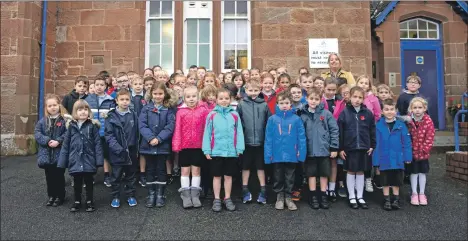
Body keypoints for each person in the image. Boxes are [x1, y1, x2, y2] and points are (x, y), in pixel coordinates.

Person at [202, 88, 245, 212]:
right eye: (221, 98)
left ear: (230, 99)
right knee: (216, 176)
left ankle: (227, 198)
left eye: (226, 98)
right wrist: (206, 150)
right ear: (216, 99)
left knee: (228, 176)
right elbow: (207, 133)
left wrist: (239, 148)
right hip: (216, 151)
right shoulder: (212, 115)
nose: (224, 101)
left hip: (231, 151)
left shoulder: (234, 114)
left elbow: (239, 132)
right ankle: (216, 198)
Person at [58, 100, 103, 212]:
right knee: (77, 182)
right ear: (75, 112)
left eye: (85, 109)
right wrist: (62, 161)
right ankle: (77, 200)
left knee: (89, 182)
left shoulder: (92, 126)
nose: (83, 112)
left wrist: (99, 161)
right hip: (75, 159)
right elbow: (66, 145)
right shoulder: (71, 127)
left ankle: (89, 201)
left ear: (89, 111)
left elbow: (98, 144)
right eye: (80, 109)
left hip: (89, 159)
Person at [265, 91, 306, 211]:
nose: (284, 105)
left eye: (287, 103)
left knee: (290, 176)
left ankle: (288, 196)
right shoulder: (272, 119)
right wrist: (268, 155)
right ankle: (279, 197)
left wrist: (301, 153)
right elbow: (268, 138)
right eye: (281, 103)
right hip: (277, 154)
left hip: (292, 153)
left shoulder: (296, 119)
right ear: (277, 104)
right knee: (278, 176)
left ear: (291, 104)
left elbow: (301, 137)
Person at [299, 87, 339, 210]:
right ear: (306, 99)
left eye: (316, 99)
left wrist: (334, 147)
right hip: (309, 150)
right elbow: (299, 132)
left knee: (323, 173)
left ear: (320, 100)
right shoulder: (302, 114)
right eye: (311, 98)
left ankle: (323, 195)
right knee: (311, 174)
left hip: (323, 149)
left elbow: (334, 130)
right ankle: (313, 196)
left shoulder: (326, 114)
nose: (313, 101)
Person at [139, 81, 176, 208]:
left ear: (165, 94)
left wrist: (159, 139)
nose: (158, 96)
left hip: (162, 146)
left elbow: (170, 126)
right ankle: (151, 194)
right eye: (155, 94)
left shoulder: (169, 109)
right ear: (151, 94)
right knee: (150, 169)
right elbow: (142, 125)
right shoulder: (146, 108)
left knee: (161, 169)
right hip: (148, 145)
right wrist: (150, 138)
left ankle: (160, 194)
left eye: (160, 93)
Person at [172, 86, 210, 209]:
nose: (191, 99)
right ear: (184, 98)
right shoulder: (180, 112)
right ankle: (186, 195)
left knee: (196, 171)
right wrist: (176, 145)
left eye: (194, 96)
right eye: (188, 97)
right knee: (184, 171)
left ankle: (195, 195)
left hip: (198, 146)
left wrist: (207, 145)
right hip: (184, 146)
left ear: (198, 97)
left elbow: (207, 129)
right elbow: (177, 129)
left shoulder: (203, 111)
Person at [338, 86, 376, 209]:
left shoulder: (368, 113)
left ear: (363, 99)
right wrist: (340, 148)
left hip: (364, 147)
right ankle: (351, 196)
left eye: (360, 97)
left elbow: (372, 130)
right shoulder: (345, 113)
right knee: (350, 170)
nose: (357, 100)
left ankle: (360, 196)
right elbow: (340, 131)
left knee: (360, 171)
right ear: (350, 97)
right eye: (355, 97)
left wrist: (372, 145)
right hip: (350, 147)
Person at [373, 99, 412, 211]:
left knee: (396, 180)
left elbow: (406, 142)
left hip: (398, 158)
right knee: (385, 180)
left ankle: (395, 199)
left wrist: (407, 156)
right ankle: (386, 200)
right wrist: (376, 161)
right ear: (382, 111)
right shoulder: (378, 125)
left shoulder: (401, 125)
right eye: (386, 109)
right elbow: (376, 144)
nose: (389, 112)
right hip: (383, 158)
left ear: (396, 111)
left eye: (391, 109)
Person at [237, 80, 272, 205]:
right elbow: (238, 123)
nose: (253, 93)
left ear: (260, 90)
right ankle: (245, 189)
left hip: (260, 142)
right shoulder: (241, 104)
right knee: (245, 167)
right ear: (246, 90)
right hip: (246, 142)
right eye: (250, 90)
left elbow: (268, 123)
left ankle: (263, 190)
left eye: (256, 90)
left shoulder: (264, 105)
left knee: (260, 167)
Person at [105, 89, 140, 208]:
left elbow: (137, 133)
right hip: (117, 152)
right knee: (116, 176)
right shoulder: (111, 116)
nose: (125, 102)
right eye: (122, 99)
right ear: (116, 101)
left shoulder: (133, 114)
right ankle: (115, 197)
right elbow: (109, 135)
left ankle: (130, 195)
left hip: (131, 151)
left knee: (131, 175)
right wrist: (118, 149)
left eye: (127, 99)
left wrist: (136, 149)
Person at [34, 94, 68, 207]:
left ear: (59, 105)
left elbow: (68, 133)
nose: (52, 107)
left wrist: (58, 141)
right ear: (46, 108)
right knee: (49, 177)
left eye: (55, 105)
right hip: (46, 154)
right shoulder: (43, 121)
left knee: (59, 176)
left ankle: (60, 196)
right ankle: (51, 195)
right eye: (50, 106)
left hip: (59, 153)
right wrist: (47, 140)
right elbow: (37, 133)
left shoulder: (64, 120)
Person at [84, 76, 116, 187]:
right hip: (91, 133)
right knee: (91, 154)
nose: (99, 87)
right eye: (97, 85)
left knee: (106, 155)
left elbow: (112, 117)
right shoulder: (88, 99)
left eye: (102, 85)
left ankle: (107, 175)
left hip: (104, 133)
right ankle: (91, 175)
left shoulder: (111, 100)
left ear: (106, 86)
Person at [407, 97, 435, 206]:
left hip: (423, 153)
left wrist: (424, 149)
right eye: (415, 107)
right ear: (411, 109)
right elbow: (406, 136)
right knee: (413, 173)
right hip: (412, 152)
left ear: (424, 108)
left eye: (420, 107)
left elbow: (430, 136)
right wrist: (409, 150)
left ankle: (422, 193)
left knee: (422, 173)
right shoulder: (408, 121)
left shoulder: (428, 120)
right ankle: (414, 193)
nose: (417, 110)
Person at [356, 75, 381, 193]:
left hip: (368, 131)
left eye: (366, 83)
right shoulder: (355, 97)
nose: (364, 85)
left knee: (367, 156)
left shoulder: (373, 99)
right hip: (356, 130)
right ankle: (356, 181)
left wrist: (371, 125)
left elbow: (378, 114)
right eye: (361, 82)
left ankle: (368, 179)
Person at [332, 84, 351, 198]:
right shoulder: (339, 105)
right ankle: (341, 184)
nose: (346, 95)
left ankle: (350, 185)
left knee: (348, 163)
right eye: (344, 93)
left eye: (348, 92)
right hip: (340, 135)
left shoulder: (354, 104)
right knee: (339, 163)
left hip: (351, 137)